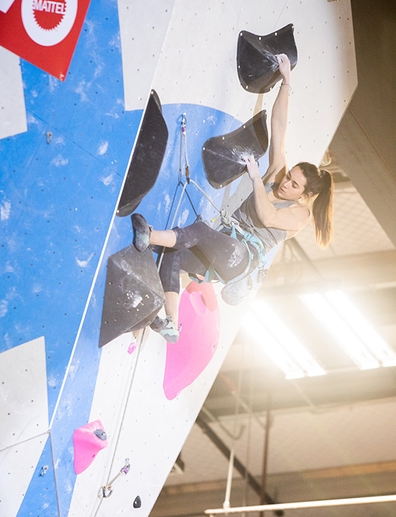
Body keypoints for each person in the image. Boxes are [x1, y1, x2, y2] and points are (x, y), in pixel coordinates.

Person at [131, 54, 333, 342]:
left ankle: (148, 236)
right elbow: (279, 127)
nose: (286, 183)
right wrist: (286, 83)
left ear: (306, 195)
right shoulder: (276, 177)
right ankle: (172, 323)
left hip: (240, 259)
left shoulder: (300, 215)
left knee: (199, 230)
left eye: (294, 184)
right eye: (290, 176)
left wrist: (255, 179)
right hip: (222, 250)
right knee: (171, 254)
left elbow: (268, 217)